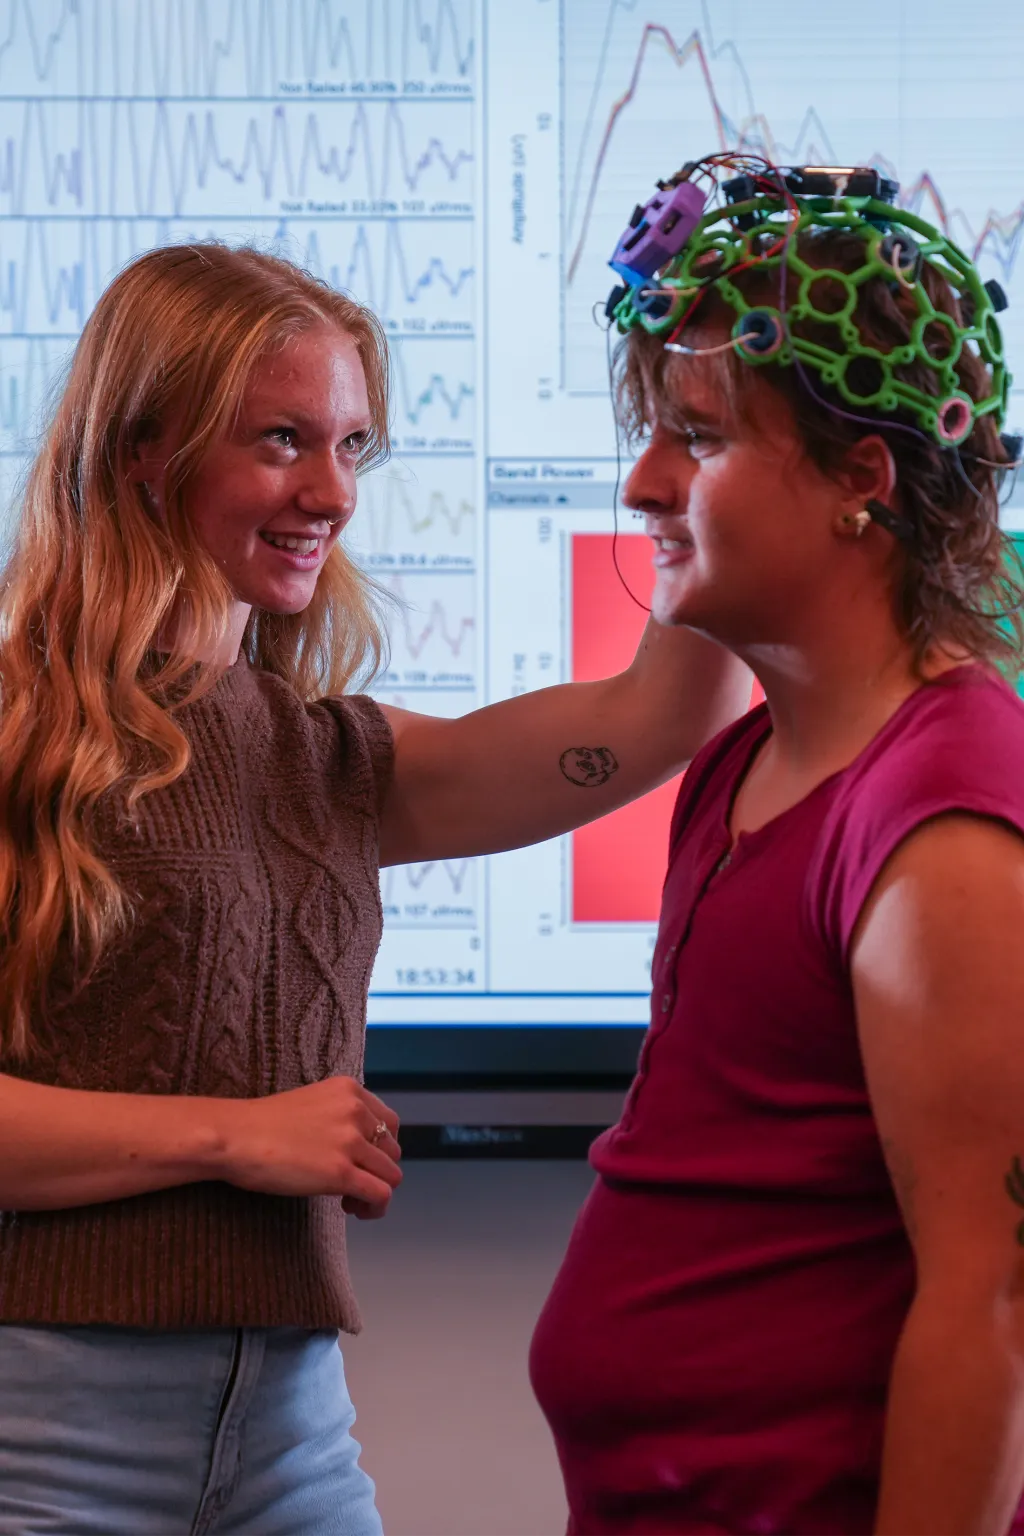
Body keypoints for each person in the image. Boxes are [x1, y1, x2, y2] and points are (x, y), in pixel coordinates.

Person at [0, 242, 751, 1536]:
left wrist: (707, 442)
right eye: (284, 439)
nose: (330, 492)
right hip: (44, 1428)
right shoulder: (21, 731)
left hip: (292, 1434)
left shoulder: (325, 760)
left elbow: (660, 716)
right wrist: (234, 1138)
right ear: (143, 449)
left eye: (354, 447)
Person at [529, 156, 1024, 1536]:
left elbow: (991, 1310)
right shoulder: (743, 767)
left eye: (695, 436)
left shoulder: (945, 830)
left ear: (862, 478)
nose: (642, 483)